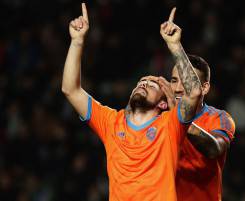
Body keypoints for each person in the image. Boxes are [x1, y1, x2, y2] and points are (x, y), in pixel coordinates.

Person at [62, 3, 201, 201]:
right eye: (140, 82)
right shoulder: (111, 122)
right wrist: (76, 41)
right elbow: (70, 90)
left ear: (162, 104)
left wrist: (174, 45)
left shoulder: (170, 126)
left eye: (151, 85)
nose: (142, 84)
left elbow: (194, 91)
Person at [159, 35, 236, 201]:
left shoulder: (219, 118)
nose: (178, 89)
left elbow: (214, 148)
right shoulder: (159, 118)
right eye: (174, 81)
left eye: (187, 82)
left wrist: (180, 118)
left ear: (205, 87)